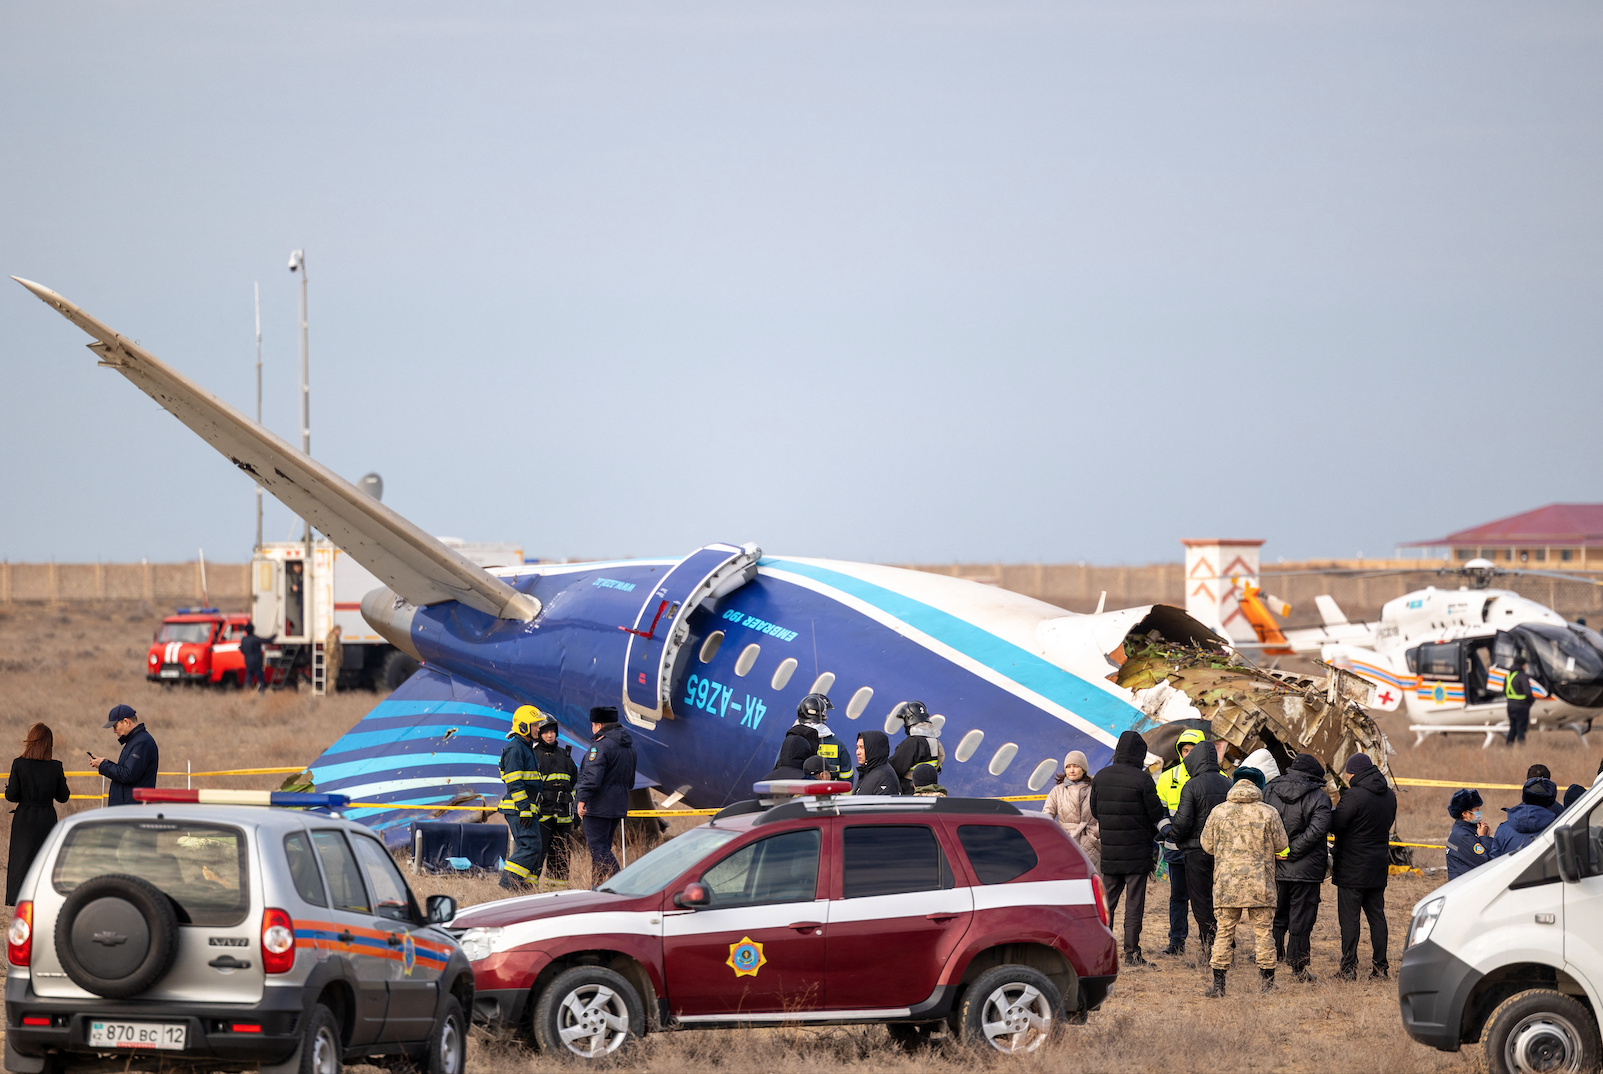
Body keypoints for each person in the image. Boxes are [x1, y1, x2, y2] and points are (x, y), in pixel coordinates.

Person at [1199, 766, 1289, 997]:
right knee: (1263, 933)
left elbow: (1207, 846)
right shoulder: (1268, 812)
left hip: (1227, 884)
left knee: (1224, 932)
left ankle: (1219, 986)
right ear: (1258, 785)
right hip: (1261, 884)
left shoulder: (1219, 812)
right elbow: (1281, 844)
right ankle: (1267, 985)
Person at [1090, 730, 1171, 969]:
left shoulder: (1101, 776)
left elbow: (1095, 810)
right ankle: (1132, 953)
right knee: (1134, 904)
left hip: (1111, 851)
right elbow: (1155, 813)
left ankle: (1103, 954)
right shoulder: (1142, 779)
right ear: (1139, 754)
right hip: (1136, 851)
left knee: (1108, 905)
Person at [1263, 753, 1333, 982]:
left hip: (1275, 864)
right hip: (1307, 870)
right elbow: (1318, 830)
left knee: (1276, 915)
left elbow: (1262, 822)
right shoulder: (1319, 797)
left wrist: (1279, 849)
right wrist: (1291, 851)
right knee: (1301, 918)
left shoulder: (1270, 790)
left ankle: (1270, 959)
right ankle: (1298, 968)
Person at [1331, 753, 1397, 980]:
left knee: (1350, 920)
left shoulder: (1353, 796)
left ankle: (1348, 968)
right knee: (1377, 917)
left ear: (1354, 773)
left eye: (1348, 773)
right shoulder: (1389, 795)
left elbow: (1337, 825)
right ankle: (1380, 968)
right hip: (1377, 866)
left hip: (1352, 867)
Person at [1171, 736, 1232, 962]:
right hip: (1224, 852)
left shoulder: (1192, 785)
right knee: (1221, 900)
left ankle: (1211, 949)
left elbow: (1183, 821)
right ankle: (1225, 945)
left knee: (1201, 900)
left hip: (1196, 852)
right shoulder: (1227, 782)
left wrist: (1173, 836)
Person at [1155, 729, 1206, 956]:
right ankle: (1176, 942)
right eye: (1185, 750)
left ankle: (1211, 941)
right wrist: (1166, 830)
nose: (1188, 754)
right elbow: (1159, 809)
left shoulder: (1217, 777)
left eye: (1193, 750)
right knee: (1177, 897)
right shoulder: (1167, 777)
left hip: (1203, 851)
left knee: (1205, 898)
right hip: (1175, 848)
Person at [6, 723, 70, 905]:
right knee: (44, 861)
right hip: (46, 818)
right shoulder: (55, 767)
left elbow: (11, 795)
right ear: (49, 744)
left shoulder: (19, 764)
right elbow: (63, 797)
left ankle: (18, 900)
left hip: (24, 819)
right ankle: (43, 898)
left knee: (21, 860)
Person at [575, 706, 636, 887]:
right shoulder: (628, 747)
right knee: (603, 848)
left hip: (598, 806)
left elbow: (591, 778)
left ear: (598, 725)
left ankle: (622, 884)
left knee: (598, 848)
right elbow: (630, 781)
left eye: (593, 725)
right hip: (617, 806)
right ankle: (600, 888)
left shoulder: (601, 746)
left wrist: (582, 799)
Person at [497, 706, 545, 891]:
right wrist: (524, 808)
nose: (538, 729)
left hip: (527, 807)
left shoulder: (526, 747)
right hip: (519, 808)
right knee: (530, 847)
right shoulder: (515, 748)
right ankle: (507, 886)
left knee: (535, 848)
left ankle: (524, 889)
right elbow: (514, 783)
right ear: (524, 726)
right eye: (535, 725)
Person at [530, 714, 579, 882]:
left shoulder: (565, 756)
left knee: (561, 859)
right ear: (539, 734)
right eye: (545, 732)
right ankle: (528, 895)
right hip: (541, 816)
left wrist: (575, 812)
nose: (550, 735)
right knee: (536, 856)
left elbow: (575, 784)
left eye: (552, 731)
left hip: (563, 817)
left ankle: (556, 896)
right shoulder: (533, 755)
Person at [89, 704, 158, 807]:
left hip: (132, 810)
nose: (114, 731)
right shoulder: (135, 741)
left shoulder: (142, 743)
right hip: (128, 808)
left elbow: (128, 775)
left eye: (115, 726)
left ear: (126, 722)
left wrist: (103, 766)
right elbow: (127, 770)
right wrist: (106, 763)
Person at [1043, 750, 1101, 872]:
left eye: (1076, 766)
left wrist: (1097, 832)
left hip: (1092, 843)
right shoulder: (1057, 791)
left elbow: (1106, 814)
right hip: (1066, 842)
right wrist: (1054, 837)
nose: (1071, 770)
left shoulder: (1095, 789)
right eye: (1068, 767)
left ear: (1084, 769)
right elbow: (1047, 816)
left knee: (1093, 884)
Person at [1490, 778, 1557, 856]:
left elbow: (1494, 862)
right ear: (1550, 804)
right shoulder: (1558, 831)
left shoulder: (1502, 830)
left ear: (1524, 800)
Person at [889, 701, 944, 794]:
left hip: (909, 791)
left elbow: (893, 768)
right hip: (928, 791)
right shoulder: (934, 741)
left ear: (909, 720)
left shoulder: (912, 743)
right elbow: (939, 763)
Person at [796, 694, 853, 782]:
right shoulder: (838, 745)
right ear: (822, 716)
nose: (827, 717)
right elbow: (847, 779)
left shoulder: (791, 742)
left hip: (800, 794)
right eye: (825, 713)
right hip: (828, 794)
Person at [1444, 789, 1498, 880]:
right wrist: (1484, 837)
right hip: (1464, 885)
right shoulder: (1463, 836)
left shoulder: (1466, 828)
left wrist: (1484, 837)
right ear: (1465, 814)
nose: (1479, 813)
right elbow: (1487, 862)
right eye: (1476, 810)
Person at [852, 731, 900, 796]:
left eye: (862, 747)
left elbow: (884, 805)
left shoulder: (885, 776)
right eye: (857, 747)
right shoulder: (868, 771)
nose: (858, 752)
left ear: (873, 749)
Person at [1506, 658, 1534, 746]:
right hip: (1522, 707)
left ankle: (1508, 746)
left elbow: (1504, 691)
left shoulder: (1509, 676)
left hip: (1510, 706)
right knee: (1521, 729)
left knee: (1512, 728)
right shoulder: (1522, 676)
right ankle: (1522, 748)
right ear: (1523, 665)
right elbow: (1527, 692)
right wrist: (1531, 701)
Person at [239, 621, 272, 693]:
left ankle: (247, 692)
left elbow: (241, 650)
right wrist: (275, 636)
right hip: (257, 663)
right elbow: (267, 640)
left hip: (248, 663)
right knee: (261, 679)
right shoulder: (255, 639)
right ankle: (261, 693)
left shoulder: (244, 640)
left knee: (248, 678)